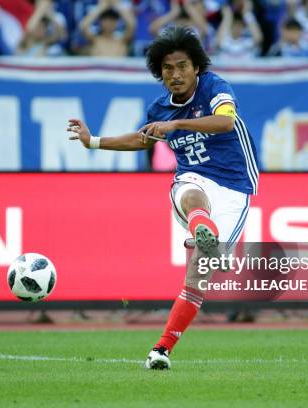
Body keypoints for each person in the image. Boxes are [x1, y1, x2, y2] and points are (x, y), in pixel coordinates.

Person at [67, 25, 258, 370]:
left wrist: (176, 127)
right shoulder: (159, 108)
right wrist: (93, 141)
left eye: (182, 66)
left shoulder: (215, 87)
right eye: (167, 69)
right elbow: (143, 139)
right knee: (189, 191)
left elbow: (225, 124)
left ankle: (166, 342)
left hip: (234, 185)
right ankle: (161, 349)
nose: (175, 74)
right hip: (194, 178)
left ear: (196, 67)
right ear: (160, 73)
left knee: (198, 277)